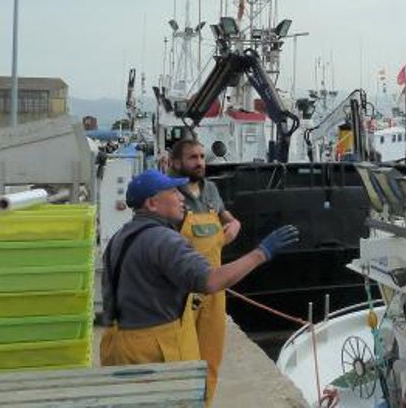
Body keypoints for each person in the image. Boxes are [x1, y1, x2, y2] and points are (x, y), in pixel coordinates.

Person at [99, 170, 297, 406]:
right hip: (155, 350)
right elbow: (211, 281)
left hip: (119, 345)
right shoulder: (165, 240)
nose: (181, 197)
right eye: (173, 192)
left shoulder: (120, 237)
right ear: (152, 203)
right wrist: (261, 253)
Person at [167, 138, 242, 402]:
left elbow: (226, 216)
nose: (200, 162)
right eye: (193, 158)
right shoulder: (169, 195)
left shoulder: (210, 189)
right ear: (176, 163)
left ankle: (205, 403)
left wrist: (234, 224)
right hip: (182, 291)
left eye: (201, 156)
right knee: (181, 355)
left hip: (215, 288)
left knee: (211, 354)